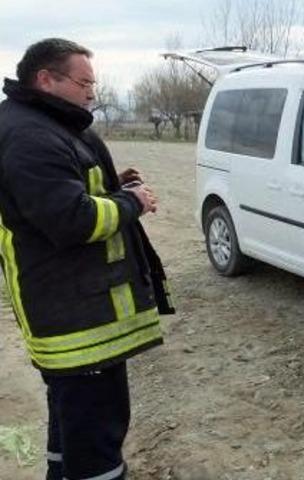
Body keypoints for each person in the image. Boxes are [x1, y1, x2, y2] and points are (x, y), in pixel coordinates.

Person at [0, 38, 175, 480]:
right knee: (96, 440)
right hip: (77, 327)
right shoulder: (30, 135)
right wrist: (131, 202)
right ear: (46, 79)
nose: (93, 94)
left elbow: (55, 192)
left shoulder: (43, 123)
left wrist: (112, 183)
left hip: (73, 318)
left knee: (71, 427)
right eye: (84, 83)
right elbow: (70, 220)